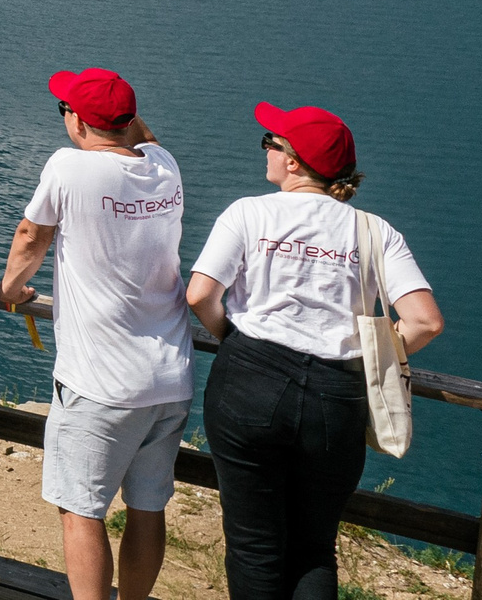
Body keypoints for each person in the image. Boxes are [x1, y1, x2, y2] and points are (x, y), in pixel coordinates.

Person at [188, 103, 445, 600]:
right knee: (313, 547)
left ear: (292, 162)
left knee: (254, 545)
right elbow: (425, 321)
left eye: (270, 142)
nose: (265, 150)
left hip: (249, 380)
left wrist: (234, 341)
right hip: (336, 394)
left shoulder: (249, 212)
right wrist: (377, 358)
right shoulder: (376, 231)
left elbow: (200, 294)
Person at [0, 68, 191, 600]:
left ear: (78, 121)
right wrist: (120, 110)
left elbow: (30, 235)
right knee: (147, 508)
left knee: (81, 510)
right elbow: (145, 138)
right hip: (169, 376)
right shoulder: (164, 166)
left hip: (100, 381)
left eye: (65, 110)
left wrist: (10, 289)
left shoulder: (69, 166)